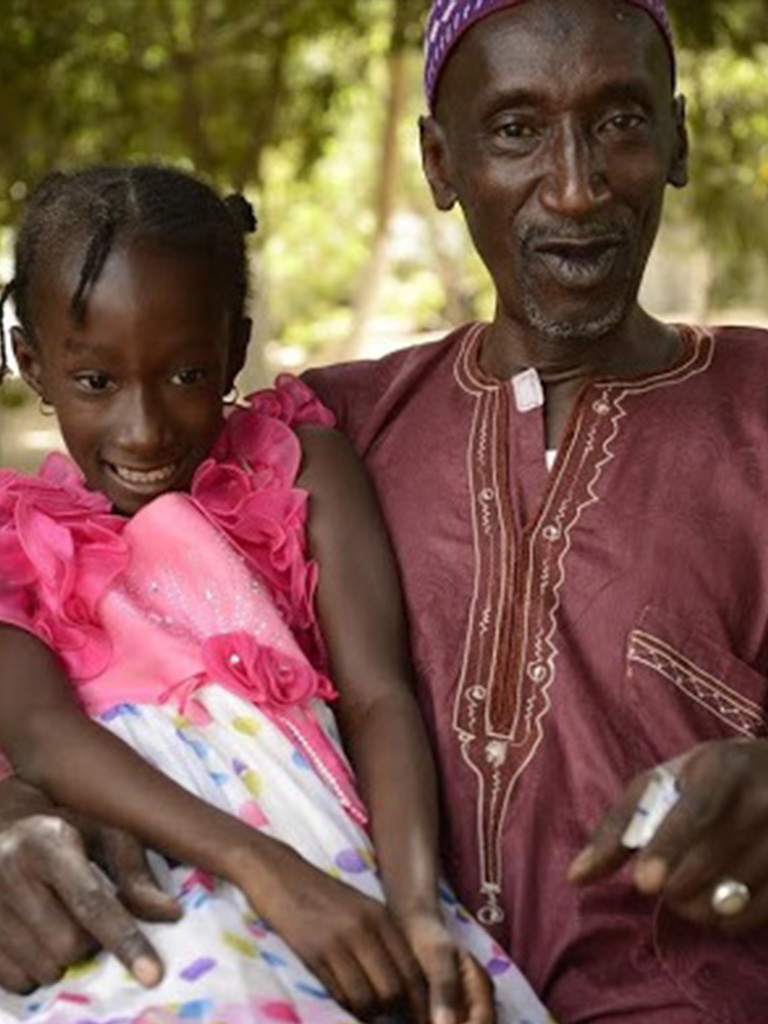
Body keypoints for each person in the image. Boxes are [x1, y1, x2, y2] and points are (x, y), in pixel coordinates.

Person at [1, 0, 767, 1020]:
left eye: (622, 121)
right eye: (516, 129)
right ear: (441, 162)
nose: (576, 188)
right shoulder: (315, 433)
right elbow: (83, 636)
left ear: (678, 138)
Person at [0, 164, 549, 1024]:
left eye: (187, 374)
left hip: (349, 880)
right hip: (164, 893)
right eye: (97, 382)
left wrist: (416, 907)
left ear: (234, 347)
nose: (144, 430)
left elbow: (378, 695)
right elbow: (41, 736)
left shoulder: (299, 469)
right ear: (31, 362)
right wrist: (263, 872)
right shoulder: (18, 548)